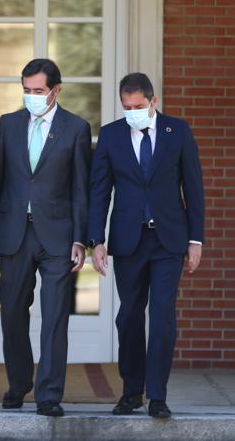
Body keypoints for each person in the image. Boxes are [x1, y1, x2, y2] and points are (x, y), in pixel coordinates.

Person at [87, 73, 205, 419]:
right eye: (126, 107)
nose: (132, 112)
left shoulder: (177, 131)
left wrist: (195, 239)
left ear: (153, 102)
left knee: (163, 316)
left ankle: (157, 395)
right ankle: (131, 392)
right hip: (128, 241)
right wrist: (97, 239)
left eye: (138, 106)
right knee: (129, 317)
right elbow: (99, 190)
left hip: (169, 239)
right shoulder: (111, 135)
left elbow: (193, 187)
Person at [0, 59, 92, 417]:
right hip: (14, 234)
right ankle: (18, 384)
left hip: (58, 237)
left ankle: (49, 394)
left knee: (55, 315)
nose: (32, 97)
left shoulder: (75, 128)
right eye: (26, 90)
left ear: (56, 90)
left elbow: (80, 189)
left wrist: (80, 239)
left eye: (38, 91)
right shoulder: (9, 124)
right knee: (12, 312)